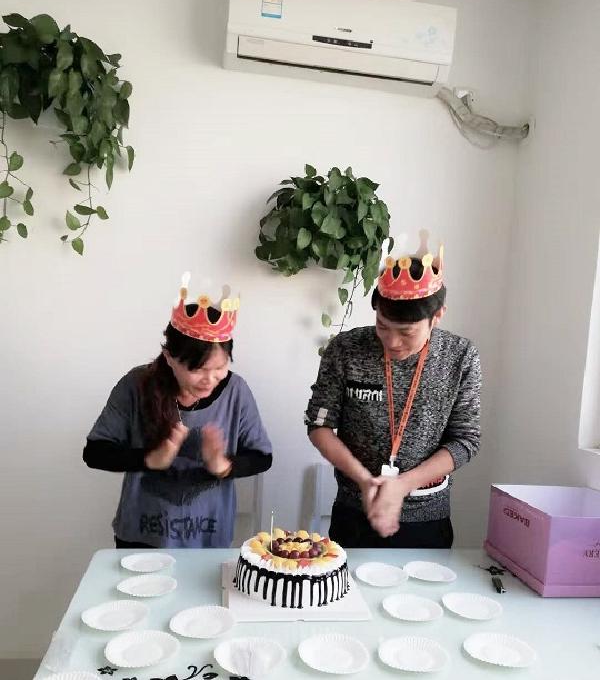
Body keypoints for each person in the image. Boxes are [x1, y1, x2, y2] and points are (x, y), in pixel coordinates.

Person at [305, 235, 481, 548]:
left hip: (428, 519)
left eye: (406, 332)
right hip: (353, 512)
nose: (392, 342)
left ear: (437, 316)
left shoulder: (460, 357)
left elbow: (466, 441)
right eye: (383, 326)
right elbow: (319, 426)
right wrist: (364, 480)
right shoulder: (345, 349)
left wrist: (402, 485)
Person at [83, 273, 272, 548]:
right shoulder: (135, 385)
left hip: (209, 540)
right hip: (141, 540)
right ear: (170, 358)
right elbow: (95, 452)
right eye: (198, 369)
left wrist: (223, 466)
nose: (210, 380)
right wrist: (151, 459)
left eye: (220, 367)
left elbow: (262, 457)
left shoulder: (236, 391)